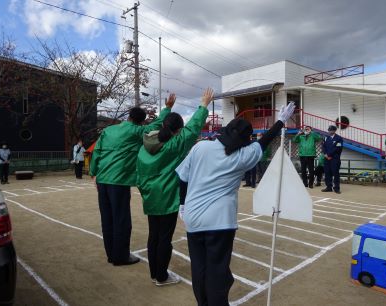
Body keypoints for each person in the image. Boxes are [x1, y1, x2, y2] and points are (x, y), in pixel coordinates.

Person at [176, 102, 296, 306]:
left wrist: (182, 205)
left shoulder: (201, 147)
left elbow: (183, 178)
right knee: (217, 270)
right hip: (220, 221)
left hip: (193, 218)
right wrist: (280, 121)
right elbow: (264, 142)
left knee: (199, 267)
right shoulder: (242, 156)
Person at [137, 88, 214, 286]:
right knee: (164, 238)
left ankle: (154, 272)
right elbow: (192, 129)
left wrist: (166, 109)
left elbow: (156, 125)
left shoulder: (146, 140)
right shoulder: (173, 146)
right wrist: (204, 105)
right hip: (167, 196)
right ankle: (161, 276)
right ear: (177, 130)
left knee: (153, 235)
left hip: (149, 195)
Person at [89, 95, 175, 266]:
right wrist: (167, 107)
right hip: (119, 181)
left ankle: (111, 254)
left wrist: (93, 173)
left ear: (128, 116)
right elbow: (157, 125)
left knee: (107, 219)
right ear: (141, 122)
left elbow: (97, 151)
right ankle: (120, 257)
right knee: (121, 219)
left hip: (102, 180)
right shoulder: (136, 131)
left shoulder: (107, 130)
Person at [322, 125, 343, 194]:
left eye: (331, 130)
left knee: (335, 173)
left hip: (335, 158)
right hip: (326, 159)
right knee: (327, 173)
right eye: (329, 130)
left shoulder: (339, 138)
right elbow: (323, 147)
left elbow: (338, 148)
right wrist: (325, 154)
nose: (330, 131)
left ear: (334, 131)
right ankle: (329, 187)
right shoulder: (326, 138)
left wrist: (330, 155)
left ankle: (336, 188)